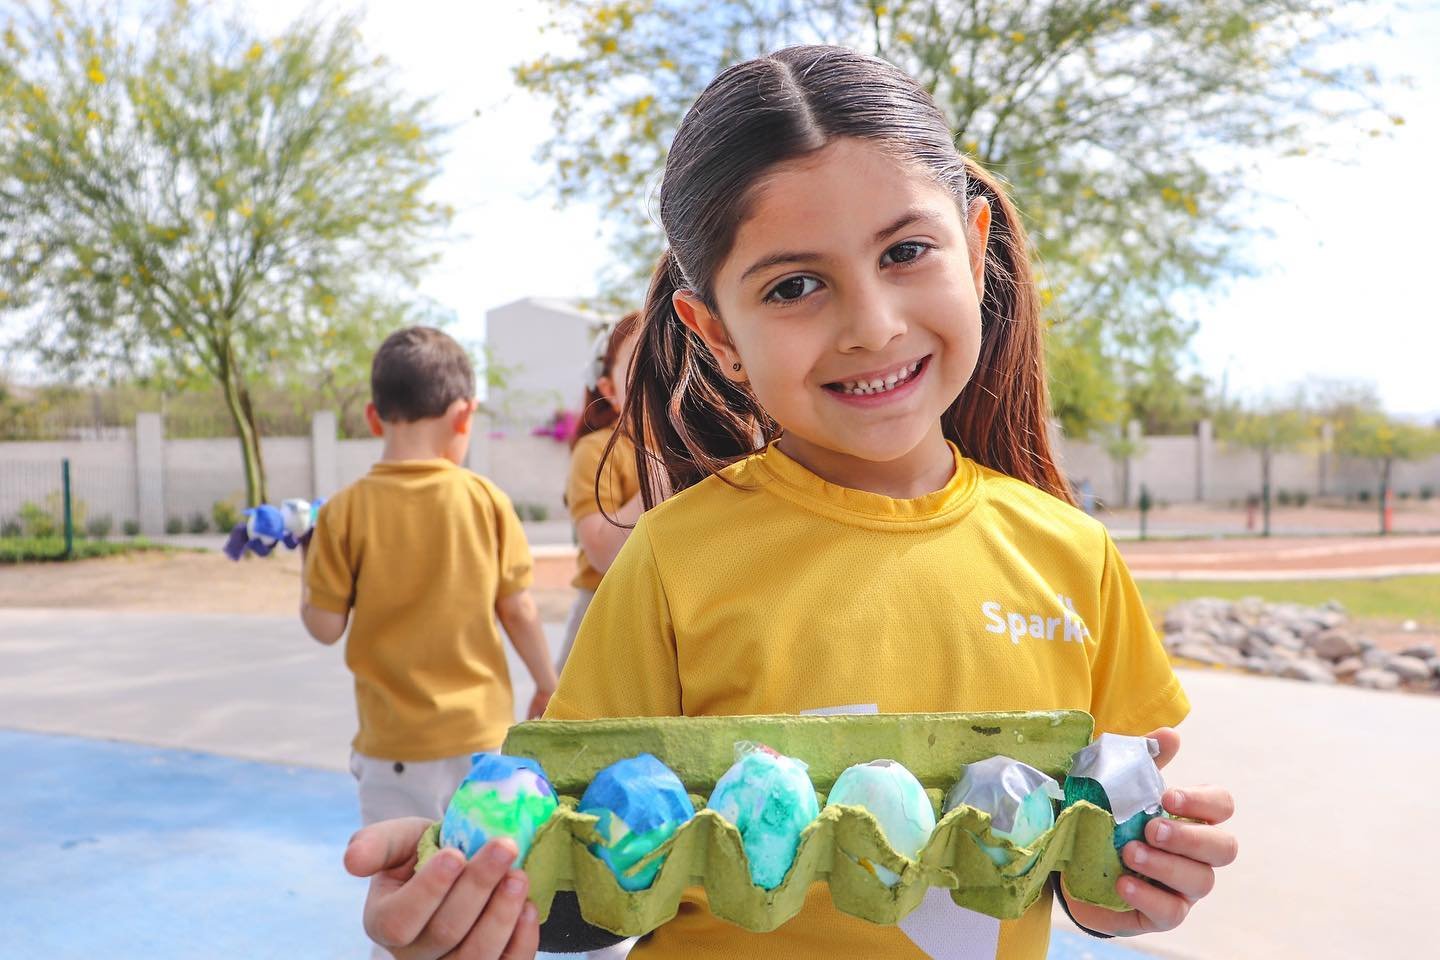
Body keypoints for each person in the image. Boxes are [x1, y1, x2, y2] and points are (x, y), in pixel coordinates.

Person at [344, 47, 1237, 960]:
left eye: (907, 250)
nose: (874, 324)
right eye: (795, 286)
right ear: (718, 337)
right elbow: (582, 870)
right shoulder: (674, 561)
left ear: (974, 250)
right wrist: (474, 907)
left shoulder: (1072, 557)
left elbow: (1074, 848)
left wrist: (1134, 883)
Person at [301, 326, 559, 834]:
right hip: (480, 741)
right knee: (487, 882)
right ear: (465, 414)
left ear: (374, 418)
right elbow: (518, 609)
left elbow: (325, 627)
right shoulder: (486, 500)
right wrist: (548, 684)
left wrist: (308, 558)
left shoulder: (343, 512)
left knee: (403, 882)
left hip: (391, 748)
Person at [558, 312, 644, 673]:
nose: (664, 376)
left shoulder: (714, 447)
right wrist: (668, 473)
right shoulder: (599, 450)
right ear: (609, 390)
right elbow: (603, 553)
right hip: (603, 610)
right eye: (644, 363)